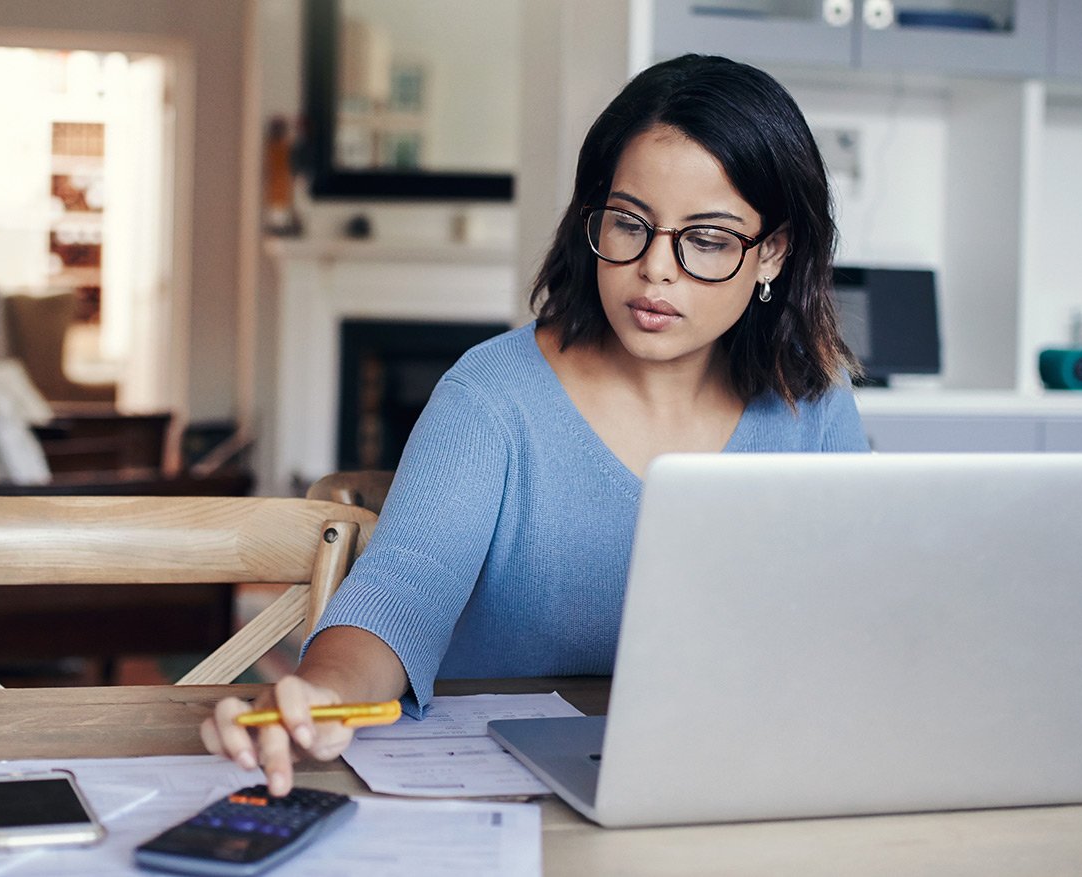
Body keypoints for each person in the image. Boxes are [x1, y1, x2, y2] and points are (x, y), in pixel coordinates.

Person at [202, 53, 868, 794]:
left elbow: (857, 618)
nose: (656, 269)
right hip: (504, 797)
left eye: (707, 239)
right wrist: (322, 693)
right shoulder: (490, 397)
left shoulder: (813, 400)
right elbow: (400, 591)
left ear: (772, 251)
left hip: (731, 783)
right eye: (629, 224)